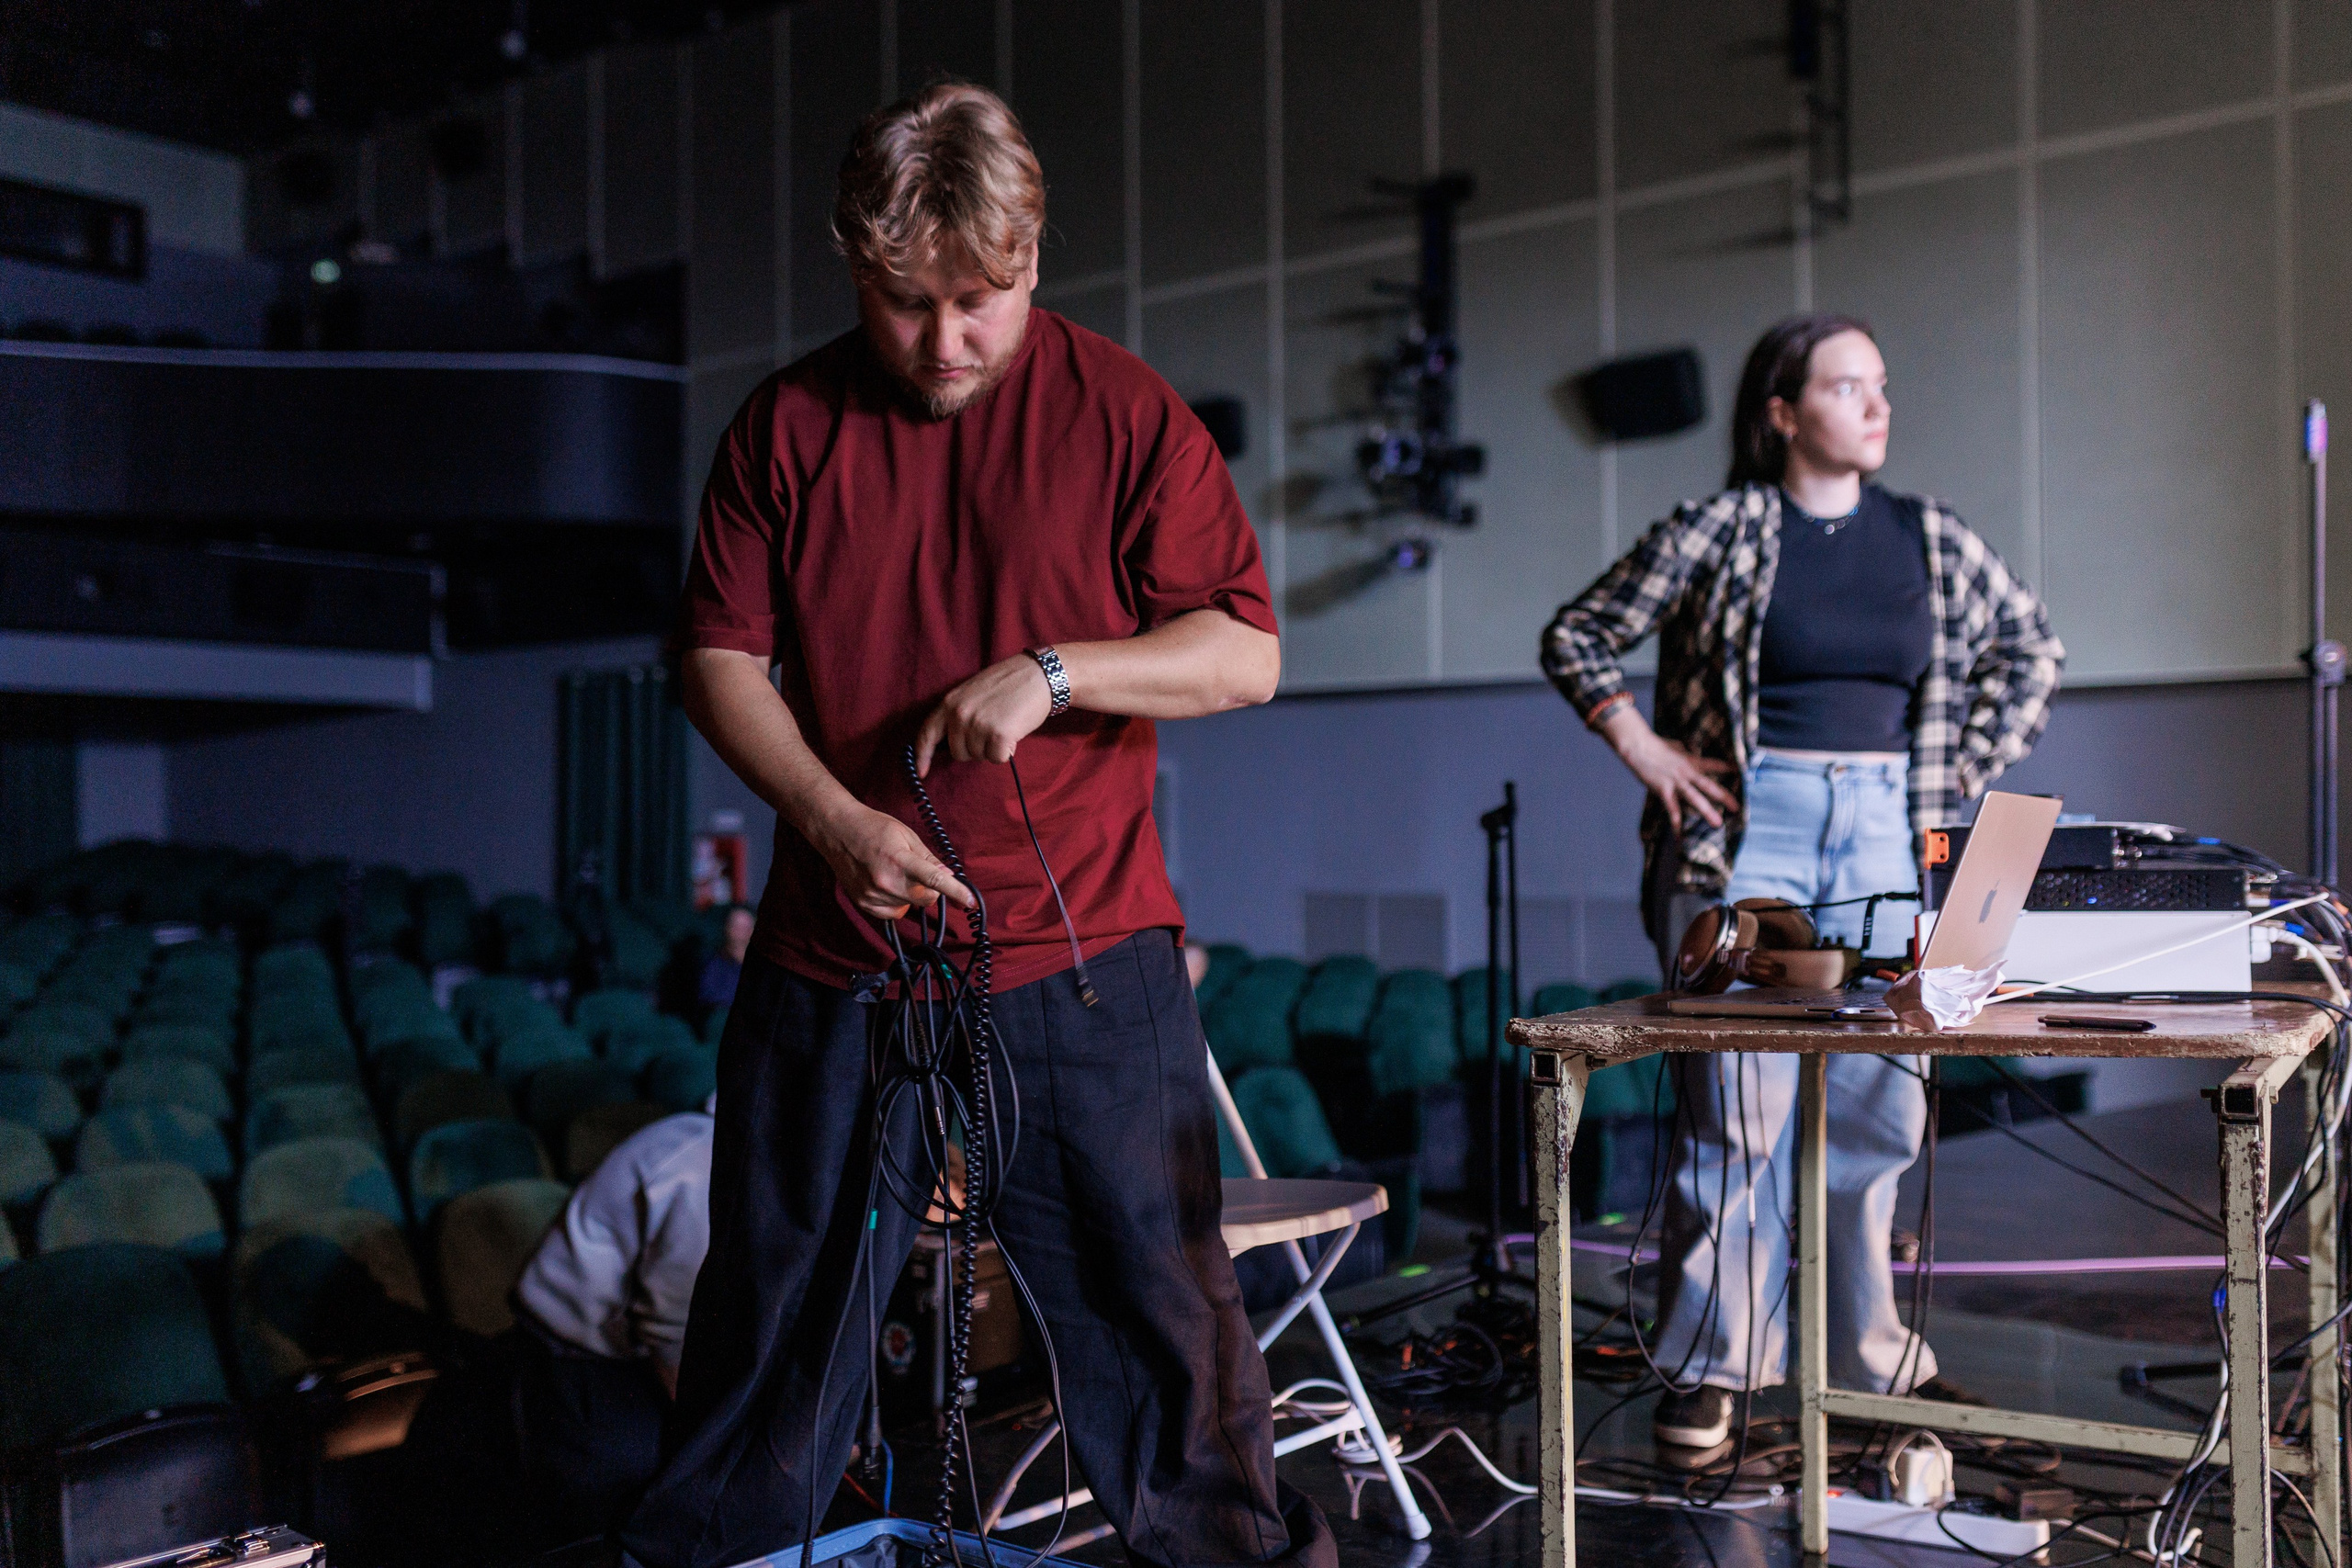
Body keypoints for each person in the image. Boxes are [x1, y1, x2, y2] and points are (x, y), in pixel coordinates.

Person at [625, 81, 1329, 1568]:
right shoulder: (786, 426)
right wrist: (823, 817)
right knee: (777, 1315)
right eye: (902, 303)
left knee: (1158, 1319)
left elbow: (1248, 652)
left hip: (1079, 949)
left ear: (1032, 259)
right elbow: (714, 658)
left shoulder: (1124, 410)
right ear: (851, 267)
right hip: (839, 950)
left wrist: (1061, 669)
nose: (943, 341)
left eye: (979, 300)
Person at [1540, 314, 2064, 1450]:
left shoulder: (1929, 538)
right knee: (1739, 1116)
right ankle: (1717, 1367)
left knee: (1884, 1109)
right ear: (1783, 412)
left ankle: (1875, 1363)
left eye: (1880, 384)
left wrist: (1957, 770)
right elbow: (1579, 634)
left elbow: (2033, 650)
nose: (1875, 406)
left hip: (1885, 830)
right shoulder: (1725, 529)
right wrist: (1645, 749)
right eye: (1845, 387)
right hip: (1751, 834)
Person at [510, 1098, 717, 1538]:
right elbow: (672, 1335)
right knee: (652, 1487)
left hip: (629, 1353)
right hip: (570, 1357)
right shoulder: (703, 1161)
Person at [696, 904, 755, 1010]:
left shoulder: (765, 965)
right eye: (736, 926)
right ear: (726, 928)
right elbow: (709, 997)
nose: (740, 932)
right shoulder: (713, 965)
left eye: (746, 927)